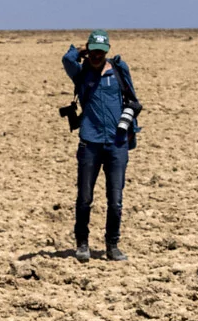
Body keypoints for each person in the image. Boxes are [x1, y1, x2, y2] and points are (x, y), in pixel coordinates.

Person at [60, 30, 141, 261]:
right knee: (84, 197)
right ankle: (82, 243)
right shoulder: (81, 72)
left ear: (107, 52)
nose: (97, 56)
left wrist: (128, 131)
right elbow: (67, 59)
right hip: (90, 143)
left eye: (101, 52)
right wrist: (82, 49)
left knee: (115, 199)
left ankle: (112, 245)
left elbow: (133, 100)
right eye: (93, 52)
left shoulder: (118, 70)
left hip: (116, 143)